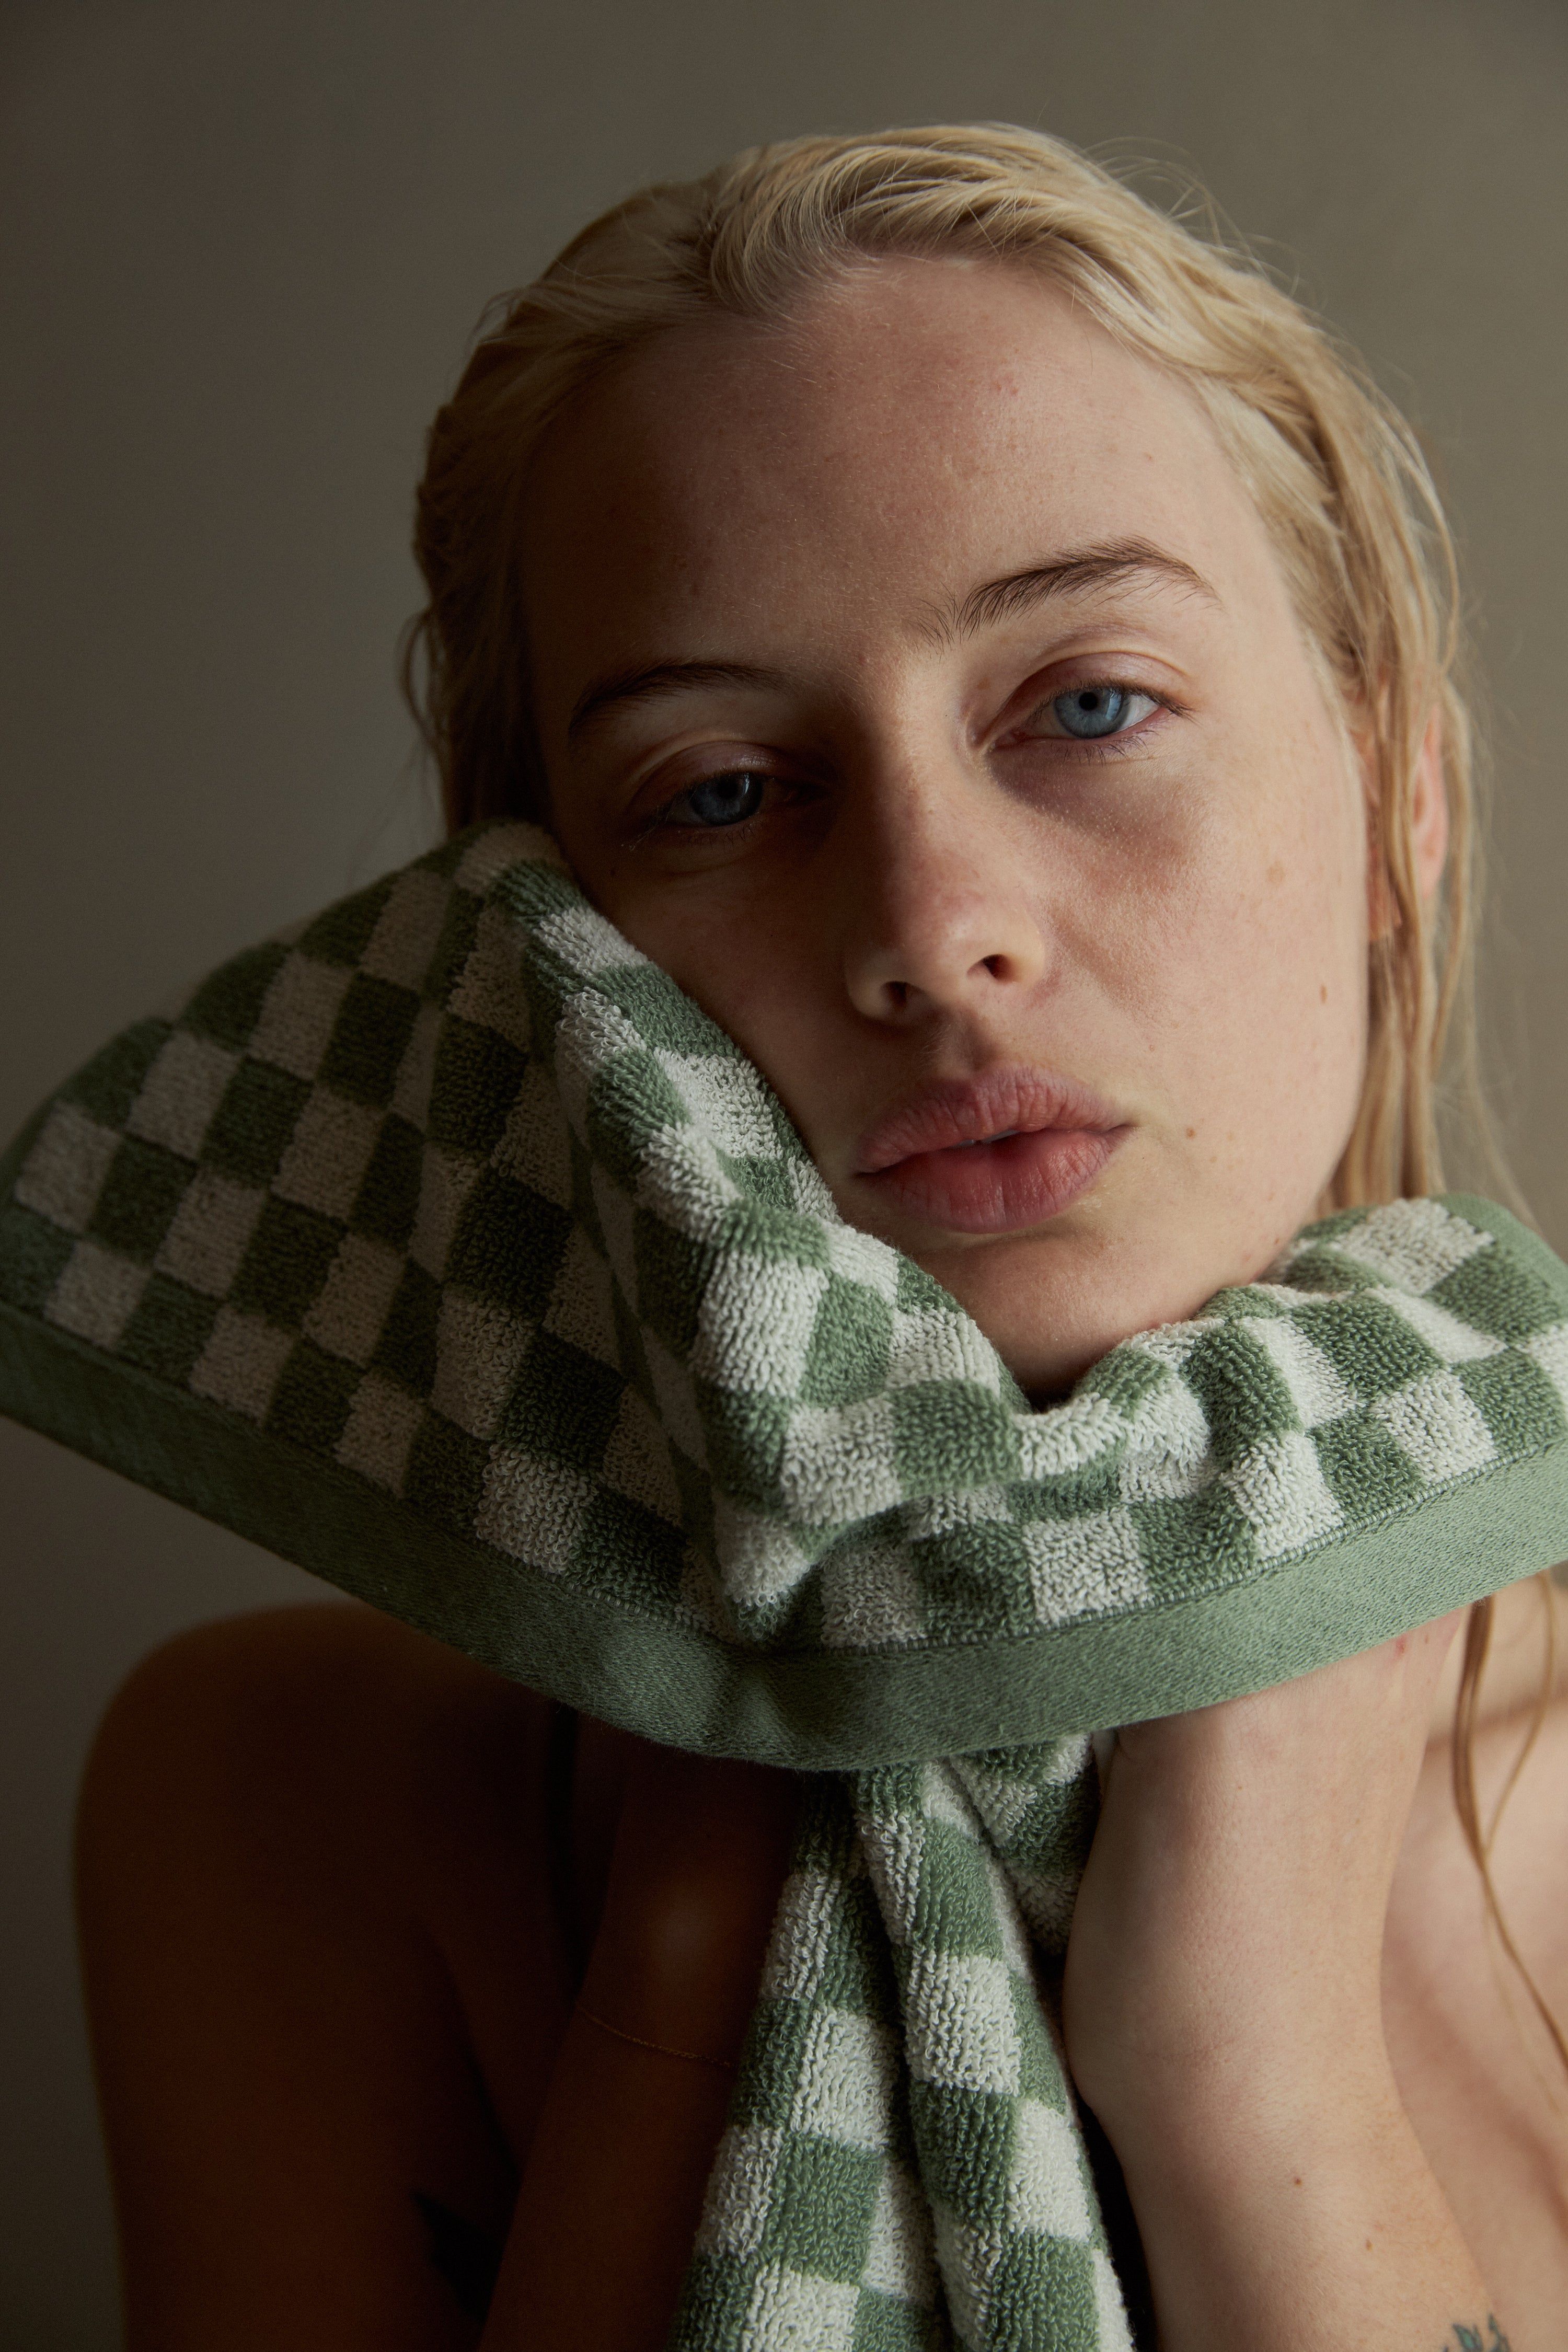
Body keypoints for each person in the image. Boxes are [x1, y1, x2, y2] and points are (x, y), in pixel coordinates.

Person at [70, 127, 1566, 2350]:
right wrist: (759, 1779)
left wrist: (1250, 2062)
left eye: (1089, 703)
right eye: (722, 793)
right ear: (540, 969)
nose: (932, 930)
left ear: (1397, 805)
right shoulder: (277, 1808)